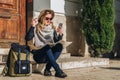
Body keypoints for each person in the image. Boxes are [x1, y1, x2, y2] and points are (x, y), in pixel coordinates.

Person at [25, 9, 67, 78]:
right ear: (42, 18)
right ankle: (58, 70)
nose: (49, 20)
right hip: (39, 55)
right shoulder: (36, 27)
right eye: (47, 18)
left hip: (48, 54)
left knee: (59, 46)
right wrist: (32, 26)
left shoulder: (51, 28)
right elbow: (27, 38)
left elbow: (56, 41)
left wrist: (60, 34)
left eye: (50, 19)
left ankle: (47, 69)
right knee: (47, 47)